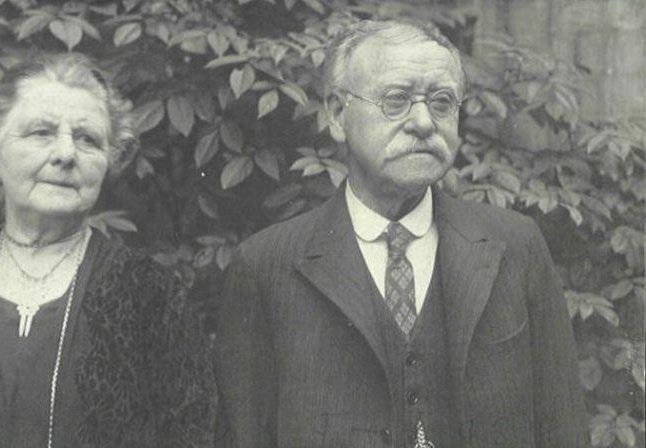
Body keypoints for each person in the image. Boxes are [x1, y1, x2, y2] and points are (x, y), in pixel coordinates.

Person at [214, 19, 588, 448]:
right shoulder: (267, 265)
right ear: (338, 114)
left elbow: (565, 428)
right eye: (396, 100)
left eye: (442, 101)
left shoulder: (516, 246)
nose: (424, 122)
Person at [0, 53, 215, 447]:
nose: (66, 154)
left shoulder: (148, 293)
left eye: (87, 139)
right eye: (41, 132)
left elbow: (196, 434)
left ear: (108, 162)